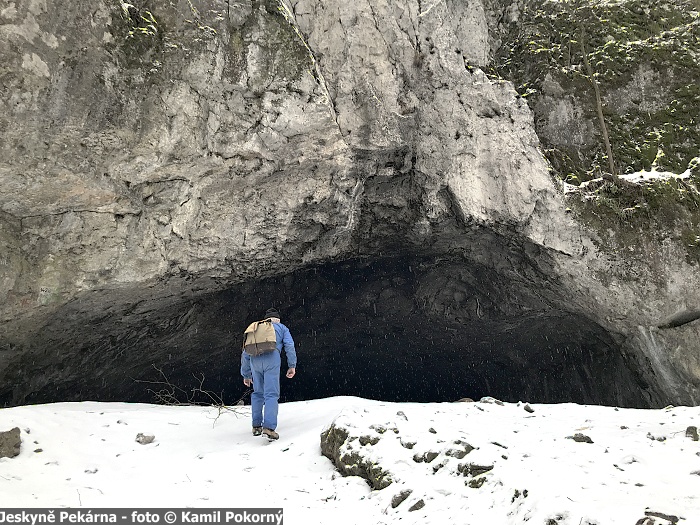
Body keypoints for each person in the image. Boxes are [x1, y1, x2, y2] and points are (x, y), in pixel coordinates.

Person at [240, 308, 297, 440]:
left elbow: (245, 352)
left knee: (258, 393)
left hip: (255, 360)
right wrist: (292, 365)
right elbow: (289, 346)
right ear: (278, 319)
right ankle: (269, 427)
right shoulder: (282, 328)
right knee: (271, 394)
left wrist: (246, 374)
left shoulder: (256, 327)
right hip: (272, 359)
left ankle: (256, 426)